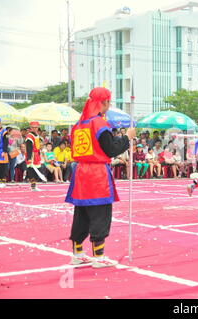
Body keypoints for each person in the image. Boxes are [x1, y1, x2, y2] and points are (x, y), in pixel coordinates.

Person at [65, 87, 136, 268]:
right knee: (100, 214)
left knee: (81, 214)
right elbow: (111, 150)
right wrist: (127, 138)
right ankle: (99, 257)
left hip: (81, 173)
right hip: (96, 174)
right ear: (103, 103)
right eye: (108, 102)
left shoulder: (78, 125)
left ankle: (78, 253)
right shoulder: (99, 124)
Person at [25, 121, 44, 191]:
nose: (34, 129)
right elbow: (28, 148)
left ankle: (34, 185)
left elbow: (38, 146)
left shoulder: (36, 135)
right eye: (33, 127)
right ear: (30, 128)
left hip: (36, 155)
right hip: (32, 155)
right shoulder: (29, 136)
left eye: (36, 127)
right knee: (32, 171)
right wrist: (29, 157)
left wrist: (39, 154)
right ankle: (33, 186)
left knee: (37, 170)